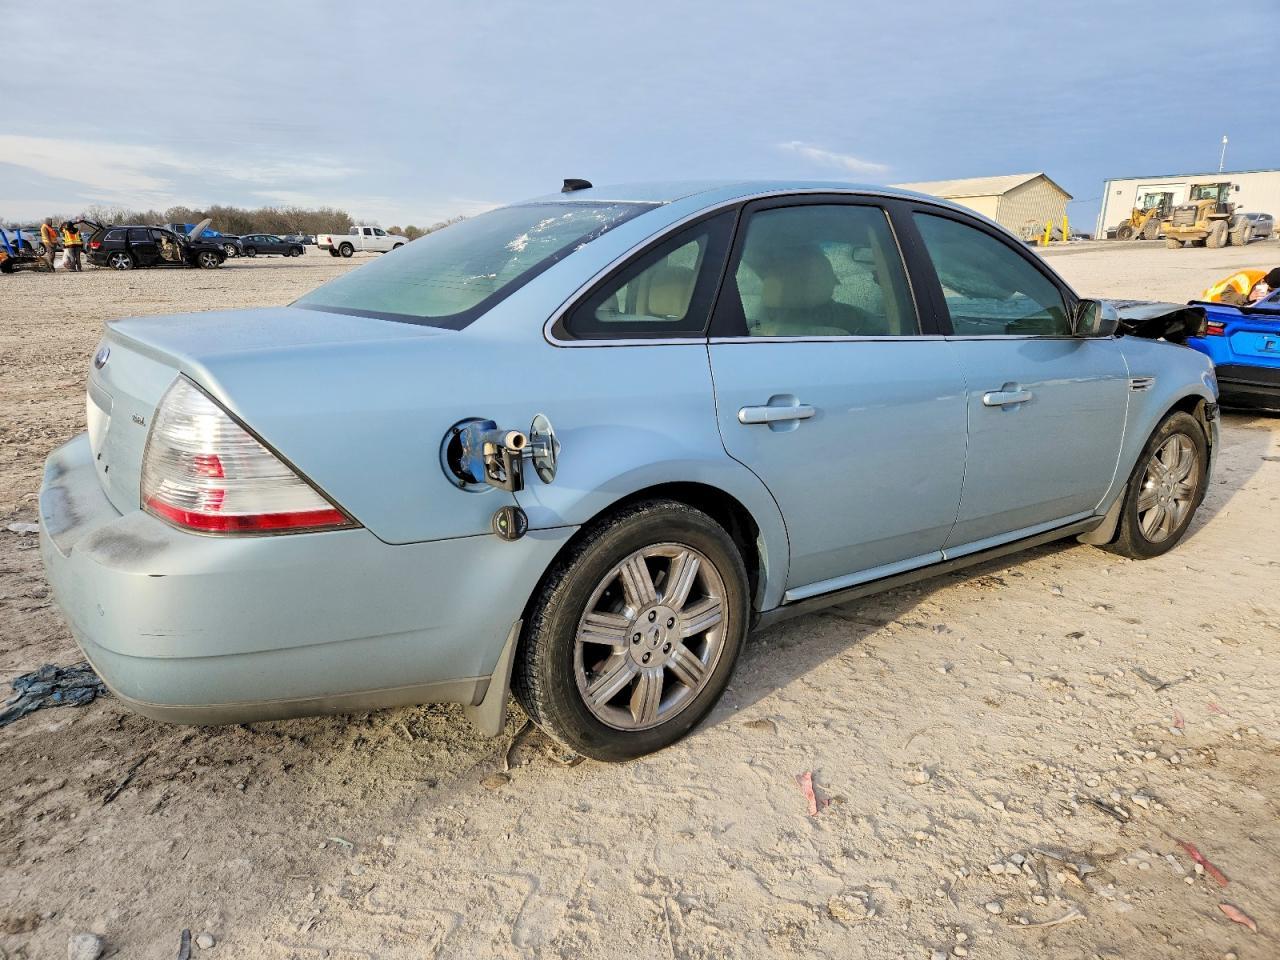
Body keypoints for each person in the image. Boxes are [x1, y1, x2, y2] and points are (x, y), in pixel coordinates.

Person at [1199, 267, 1280, 306]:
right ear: (1263, 281)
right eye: (1270, 290)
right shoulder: (1244, 278)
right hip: (1212, 303)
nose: (1269, 292)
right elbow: (1226, 296)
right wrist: (1248, 298)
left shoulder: (1266, 278)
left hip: (1231, 305)